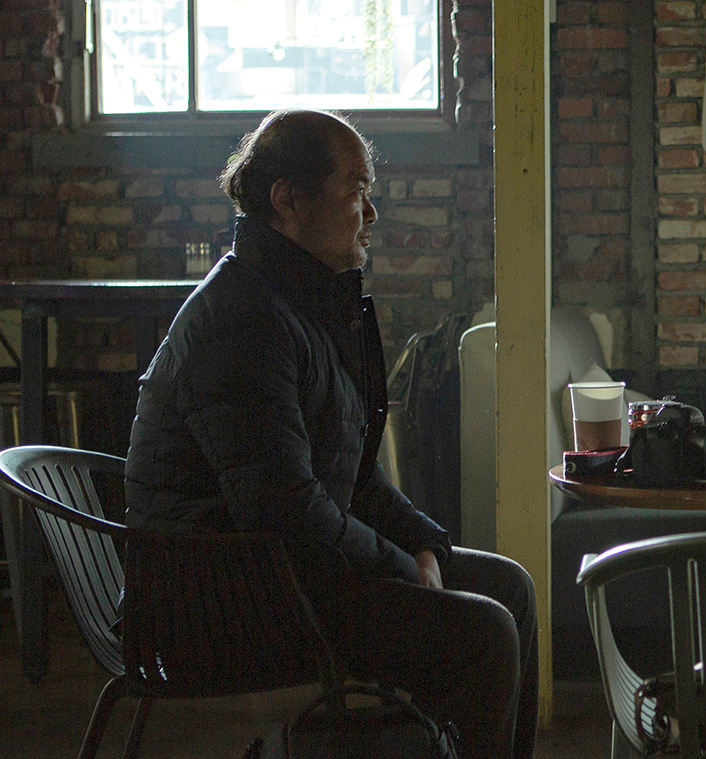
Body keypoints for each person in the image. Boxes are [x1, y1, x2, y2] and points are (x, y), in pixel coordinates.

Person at [123, 109, 537, 759]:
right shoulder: (244, 319)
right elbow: (285, 509)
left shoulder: (297, 304)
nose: (370, 214)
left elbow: (353, 472)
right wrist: (404, 569)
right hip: (221, 604)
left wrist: (422, 544)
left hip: (283, 577)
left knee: (509, 587)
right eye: (355, 191)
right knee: (482, 632)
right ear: (288, 201)